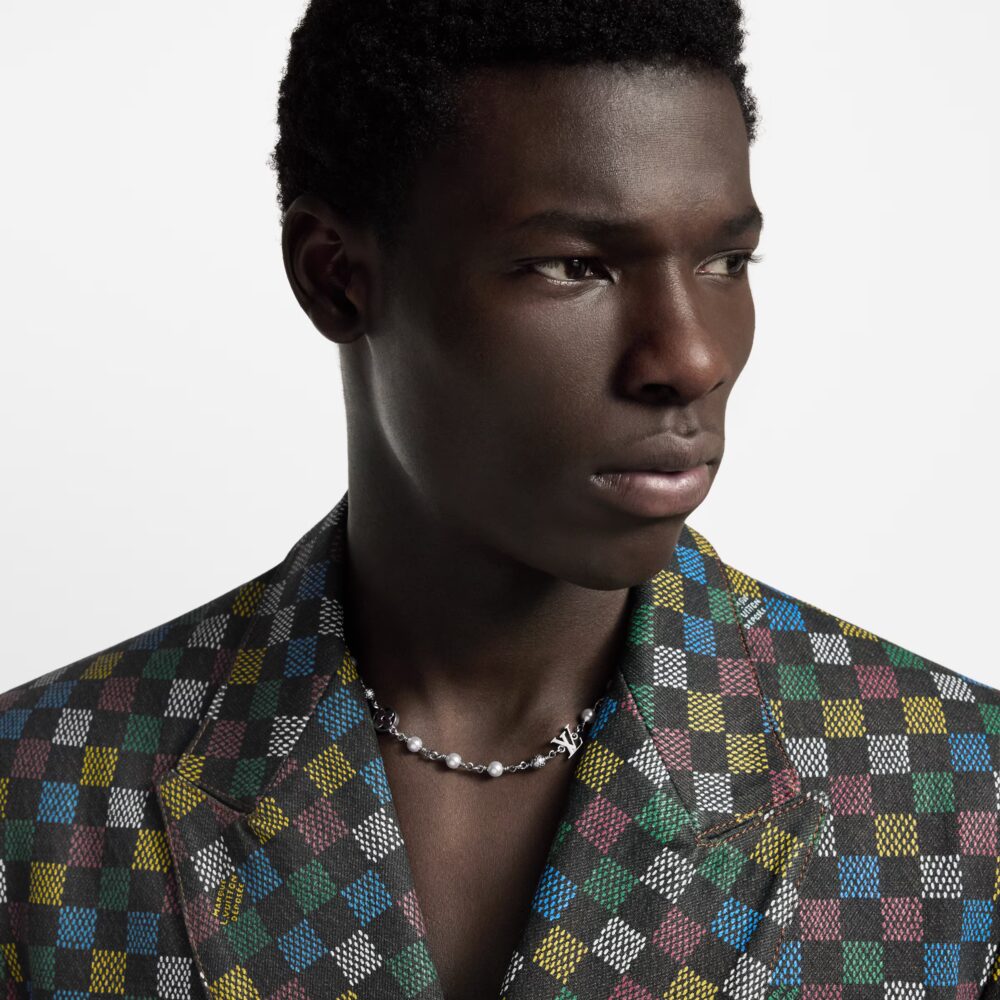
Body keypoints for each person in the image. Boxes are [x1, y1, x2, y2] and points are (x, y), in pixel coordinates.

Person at [1, 1, 997, 999]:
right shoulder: (38, 794)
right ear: (336, 277)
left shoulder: (956, 786)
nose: (691, 356)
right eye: (573, 266)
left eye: (725, 262)